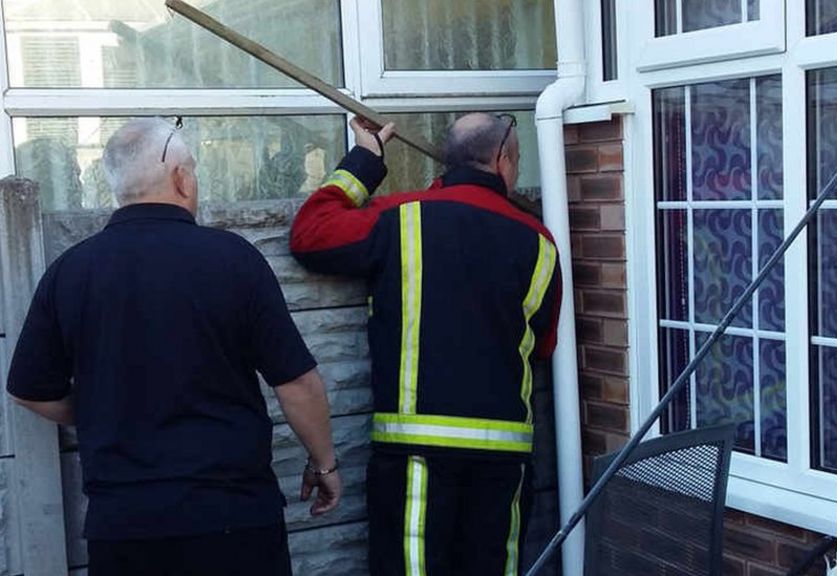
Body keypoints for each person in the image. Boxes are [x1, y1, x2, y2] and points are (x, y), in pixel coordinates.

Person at [6, 118, 341, 576]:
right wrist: (324, 466)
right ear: (182, 178)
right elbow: (298, 383)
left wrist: (104, 409)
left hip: (123, 529)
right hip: (231, 520)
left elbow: (29, 389)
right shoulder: (234, 259)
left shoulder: (71, 271)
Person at [290, 113, 561, 575]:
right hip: (503, 463)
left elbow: (311, 232)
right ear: (502, 162)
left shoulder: (400, 218)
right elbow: (542, 346)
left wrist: (365, 163)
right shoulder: (540, 242)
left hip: (415, 460)